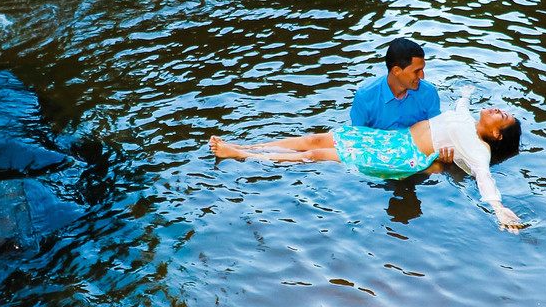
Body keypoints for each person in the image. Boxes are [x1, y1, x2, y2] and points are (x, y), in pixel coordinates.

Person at [208, 91, 525, 229]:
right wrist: (467, 92)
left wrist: (499, 210)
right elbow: (460, 104)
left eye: (504, 116)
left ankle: (238, 154)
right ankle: (247, 145)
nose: (499, 110)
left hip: (399, 157)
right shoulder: (466, 119)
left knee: (316, 155)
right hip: (391, 139)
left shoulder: (479, 150)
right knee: (316, 139)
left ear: (497, 136)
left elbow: (483, 177)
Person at [350, 37, 442, 130]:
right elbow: (357, 137)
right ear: (396, 70)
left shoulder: (429, 93)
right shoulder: (364, 96)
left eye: (422, 69)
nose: (422, 76)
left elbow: (437, 134)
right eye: (416, 71)